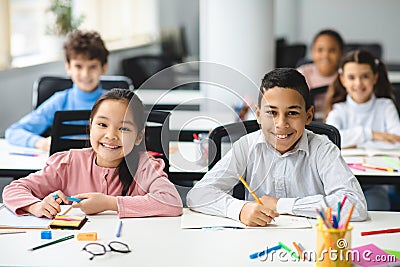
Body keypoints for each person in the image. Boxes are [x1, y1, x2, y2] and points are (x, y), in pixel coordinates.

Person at [187, 68, 368, 226]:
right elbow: (198, 195)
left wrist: (281, 205)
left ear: (309, 116)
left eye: (292, 113)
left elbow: (355, 206)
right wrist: (240, 209)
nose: (281, 123)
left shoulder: (323, 149)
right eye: (272, 113)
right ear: (258, 115)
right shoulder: (246, 146)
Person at [3, 88, 183, 218]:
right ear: (90, 128)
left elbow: (172, 202)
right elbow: (14, 189)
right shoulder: (67, 163)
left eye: (124, 128)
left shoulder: (145, 166)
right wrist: (36, 206)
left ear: (138, 137)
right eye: (102, 125)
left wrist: (110, 203)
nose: (111, 136)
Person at [5, 30, 109, 152]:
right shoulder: (60, 101)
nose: (85, 74)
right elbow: (14, 132)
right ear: (68, 67)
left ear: (103, 68)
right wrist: (41, 143)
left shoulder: (113, 103)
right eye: (78, 66)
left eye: (92, 66)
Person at [325, 50, 400, 211]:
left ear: (375, 77)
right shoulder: (338, 110)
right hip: (343, 183)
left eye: (365, 76)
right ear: (342, 80)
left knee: (377, 207)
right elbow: (330, 141)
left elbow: (397, 140)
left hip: (378, 183)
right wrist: (372, 135)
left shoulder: (385, 106)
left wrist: (351, 142)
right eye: (352, 77)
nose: (358, 83)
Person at [297, 29, 344, 121]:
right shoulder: (302, 73)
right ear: (313, 52)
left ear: (341, 53)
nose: (325, 55)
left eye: (332, 50)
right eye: (320, 50)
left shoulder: (347, 76)